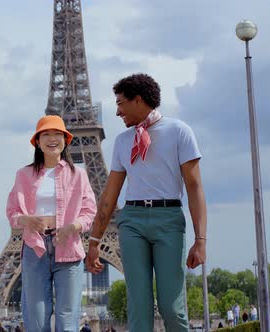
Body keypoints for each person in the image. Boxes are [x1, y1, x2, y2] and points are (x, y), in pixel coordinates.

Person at [86, 73, 207, 332]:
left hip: (169, 219)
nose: (117, 112)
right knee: (138, 310)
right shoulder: (122, 141)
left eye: (120, 103)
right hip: (132, 221)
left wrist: (200, 240)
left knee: (172, 309)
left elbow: (194, 187)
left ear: (138, 100)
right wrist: (94, 242)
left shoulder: (179, 131)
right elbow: (110, 196)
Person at [7, 115, 97, 332]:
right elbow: (12, 213)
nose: (52, 138)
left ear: (66, 140)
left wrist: (72, 227)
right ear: (37, 141)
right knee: (36, 319)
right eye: (45, 134)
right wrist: (26, 219)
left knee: (68, 317)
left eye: (57, 134)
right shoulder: (24, 175)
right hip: (35, 246)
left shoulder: (79, 175)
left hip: (69, 246)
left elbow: (89, 211)